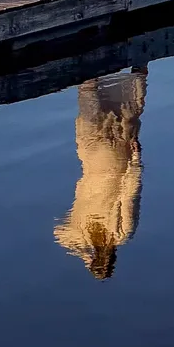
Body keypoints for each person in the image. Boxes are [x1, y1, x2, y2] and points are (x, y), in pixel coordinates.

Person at [54, 68, 146, 279]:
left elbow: (131, 193)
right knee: (89, 92)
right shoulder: (81, 235)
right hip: (91, 155)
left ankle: (133, 53)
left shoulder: (121, 235)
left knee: (128, 105)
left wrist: (135, 161)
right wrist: (85, 256)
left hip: (111, 161)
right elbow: (59, 235)